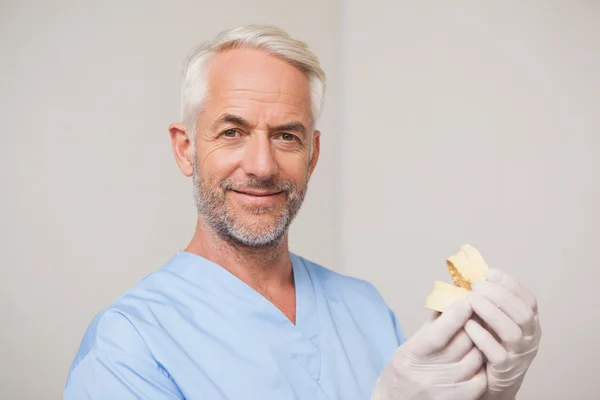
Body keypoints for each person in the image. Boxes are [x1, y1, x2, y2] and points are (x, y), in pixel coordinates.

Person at [63, 24, 541, 399]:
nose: (262, 165)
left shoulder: (365, 309)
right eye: (232, 132)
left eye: (286, 136)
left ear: (312, 155)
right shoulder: (128, 347)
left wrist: (489, 395)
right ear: (185, 149)